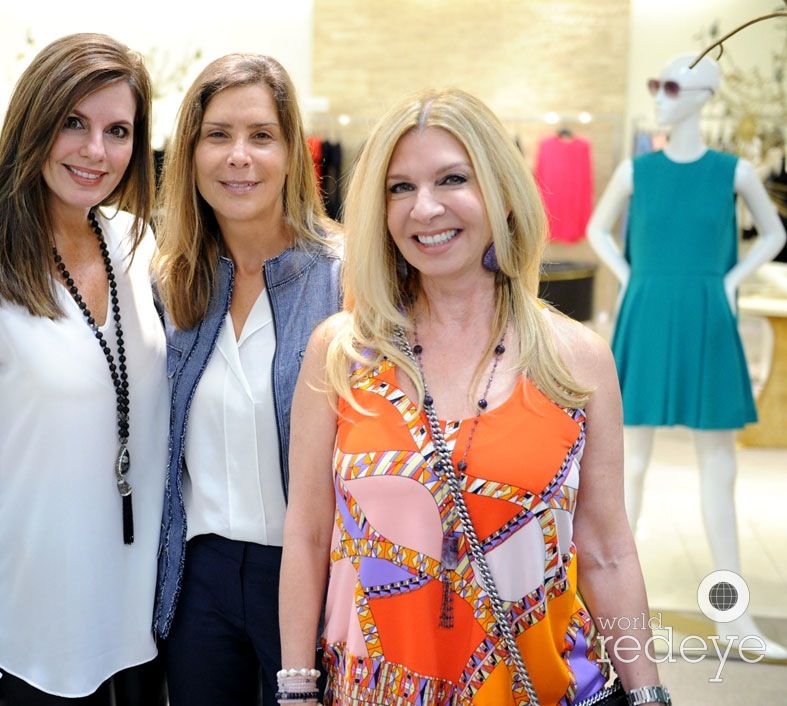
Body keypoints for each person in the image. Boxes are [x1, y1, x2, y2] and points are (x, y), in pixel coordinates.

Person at [280, 88, 671, 705]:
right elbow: (306, 535)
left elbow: (607, 552)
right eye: (400, 188)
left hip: (542, 687)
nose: (425, 208)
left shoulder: (575, 360)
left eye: (452, 179)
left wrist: (649, 695)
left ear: (502, 193)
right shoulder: (342, 354)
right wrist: (297, 688)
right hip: (376, 690)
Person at [0, 33, 169, 706]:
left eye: (118, 131)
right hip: (35, 632)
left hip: (140, 616)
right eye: (73, 123)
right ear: (34, 122)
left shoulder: (139, 245)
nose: (96, 152)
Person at [151, 53, 342, 706]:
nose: (240, 156)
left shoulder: (344, 281)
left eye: (261, 135)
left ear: (292, 152)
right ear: (191, 154)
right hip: (197, 580)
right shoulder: (171, 283)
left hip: (310, 576)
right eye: (218, 135)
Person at [587, 54, 787, 660]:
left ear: (702, 94)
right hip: (648, 309)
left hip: (705, 310)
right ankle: (612, 610)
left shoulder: (734, 170)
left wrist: (731, 280)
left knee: (718, 471)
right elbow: (599, 230)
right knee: (628, 468)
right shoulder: (634, 169)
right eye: (654, 84)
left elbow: (775, 233)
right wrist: (628, 275)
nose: (659, 95)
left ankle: (733, 616)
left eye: (669, 86)